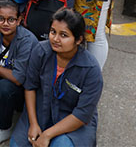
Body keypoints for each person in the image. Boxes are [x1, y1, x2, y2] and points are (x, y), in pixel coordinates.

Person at [10, 9, 103, 147]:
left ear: (78, 40)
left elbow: (82, 114)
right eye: (53, 32)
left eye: (63, 35)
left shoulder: (91, 70)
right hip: (41, 111)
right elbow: (30, 87)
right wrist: (33, 124)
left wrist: (47, 134)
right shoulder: (40, 51)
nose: (55, 39)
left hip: (71, 120)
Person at [0, 0, 38, 145]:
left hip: (24, 91)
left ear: (19, 20)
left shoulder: (26, 41)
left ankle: (4, 127)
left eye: (11, 19)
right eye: (1, 19)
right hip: (3, 77)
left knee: (4, 88)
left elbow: (17, 78)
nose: (5, 23)